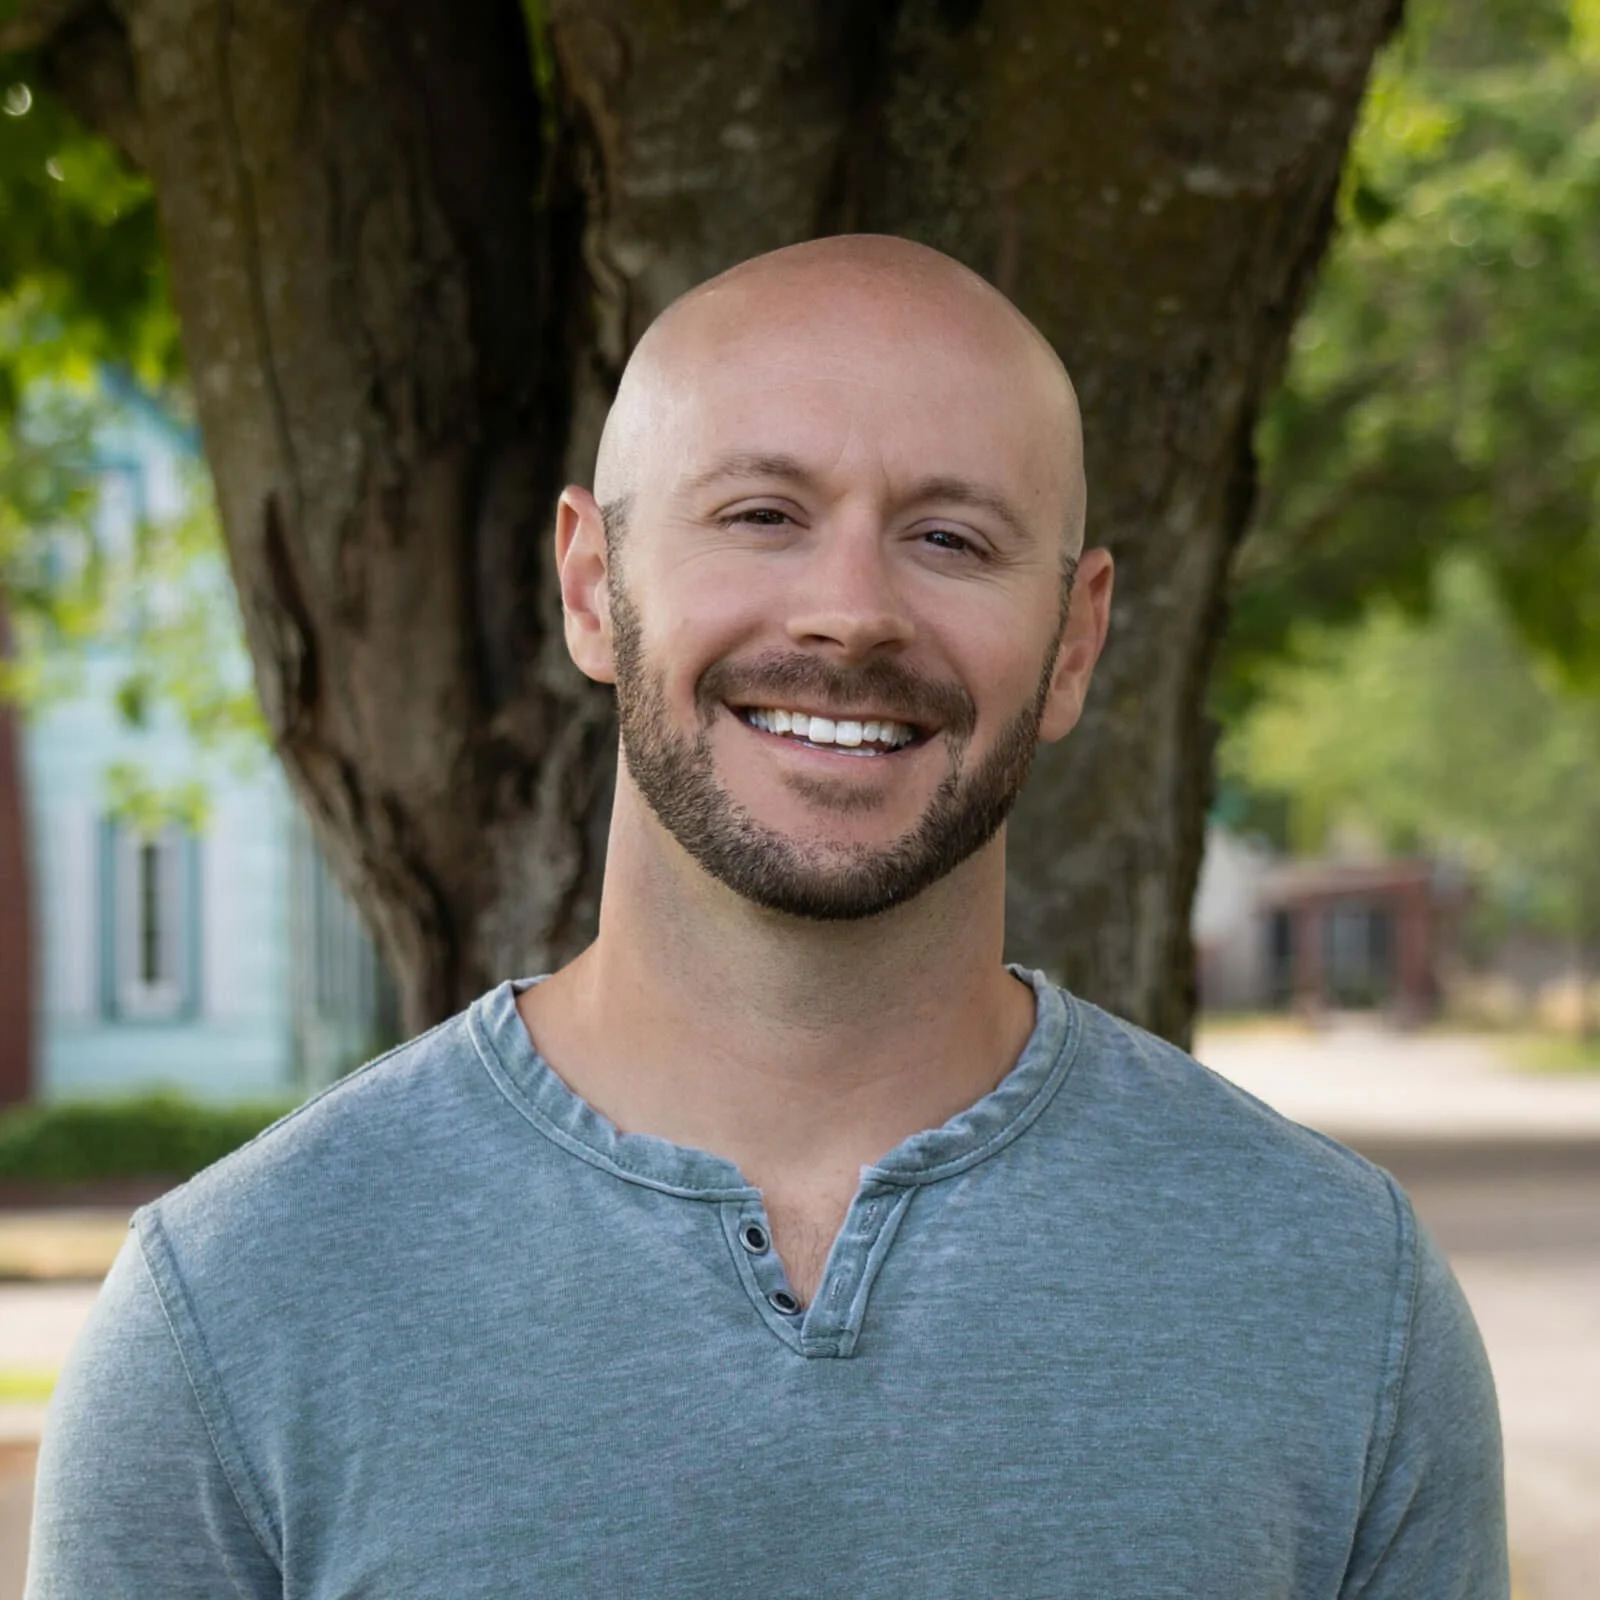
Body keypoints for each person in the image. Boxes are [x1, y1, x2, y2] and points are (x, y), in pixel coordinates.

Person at [27, 236, 1506, 1598]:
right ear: (594, 586)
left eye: (952, 539)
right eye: (762, 513)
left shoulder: (1336, 1297)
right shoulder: (236, 1307)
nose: (849, 611)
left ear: (1077, 641)